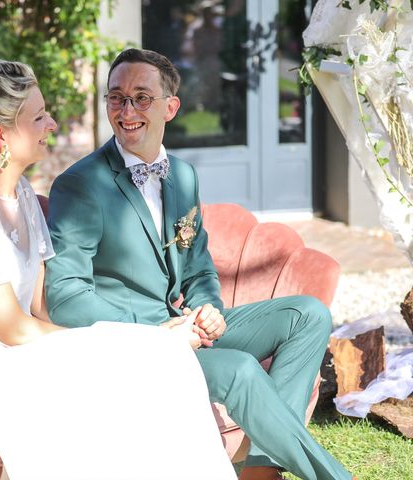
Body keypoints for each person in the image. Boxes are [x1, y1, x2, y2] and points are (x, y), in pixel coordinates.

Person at [0, 59, 236, 480]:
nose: (51, 124)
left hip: (20, 345)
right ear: (2, 135)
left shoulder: (23, 195)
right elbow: (12, 327)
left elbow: (42, 308)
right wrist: (121, 341)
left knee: (157, 357)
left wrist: (125, 343)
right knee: (146, 354)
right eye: (38, 117)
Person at [45, 48, 355, 480]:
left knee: (309, 315)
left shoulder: (183, 175)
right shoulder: (81, 184)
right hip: (131, 346)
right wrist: (155, 332)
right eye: (116, 98)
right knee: (241, 370)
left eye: (141, 98)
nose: (127, 110)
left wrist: (209, 309)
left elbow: (199, 267)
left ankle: (260, 472)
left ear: (171, 107)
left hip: (186, 327)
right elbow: (64, 296)